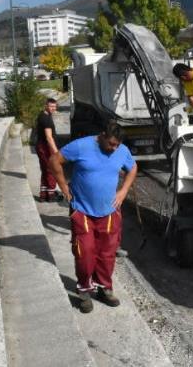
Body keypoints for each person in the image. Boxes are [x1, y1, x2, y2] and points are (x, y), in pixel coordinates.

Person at [50, 121, 138, 313]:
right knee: (85, 252)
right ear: (102, 135)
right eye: (111, 144)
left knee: (107, 254)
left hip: (109, 211)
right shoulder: (82, 146)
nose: (114, 149)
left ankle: (104, 288)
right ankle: (84, 290)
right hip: (82, 210)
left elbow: (132, 168)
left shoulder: (121, 150)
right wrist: (64, 187)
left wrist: (123, 192)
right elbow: (54, 160)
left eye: (117, 145)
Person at [35, 98, 63, 202]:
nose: (53, 108)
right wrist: (56, 152)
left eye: (55, 106)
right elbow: (49, 137)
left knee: (45, 169)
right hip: (45, 146)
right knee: (52, 169)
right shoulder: (46, 119)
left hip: (40, 145)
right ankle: (51, 195)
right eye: (51, 106)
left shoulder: (43, 115)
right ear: (46, 106)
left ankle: (43, 194)